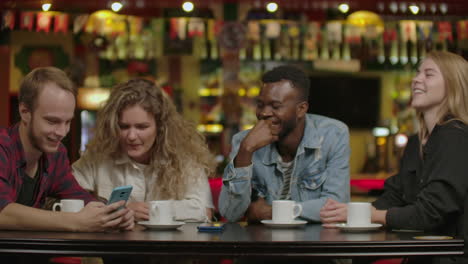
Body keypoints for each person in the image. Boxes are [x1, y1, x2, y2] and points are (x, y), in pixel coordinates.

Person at [320, 51, 468, 264]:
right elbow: (396, 195)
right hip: (424, 254)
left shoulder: (456, 136)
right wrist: (352, 212)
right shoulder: (416, 142)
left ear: (453, 84)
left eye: (429, 74)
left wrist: (372, 216)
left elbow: (431, 213)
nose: (416, 79)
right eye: (417, 73)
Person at [0, 67, 134, 232]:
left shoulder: (56, 155)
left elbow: (78, 196)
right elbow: (3, 212)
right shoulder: (3, 146)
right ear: (25, 112)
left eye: (67, 122)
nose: (62, 132)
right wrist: (75, 222)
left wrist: (112, 214)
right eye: (52, 121)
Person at [73, 78, 216, 223]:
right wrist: (122, 211)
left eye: (142, 127)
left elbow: (203, 211)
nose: (131, 136)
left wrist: (152, 210)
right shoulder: (97, 157)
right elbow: (64, 198)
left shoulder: (183, 157)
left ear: (160, 127)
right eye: (123, 127)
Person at [218, 65, 350, 223]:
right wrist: (245, 152)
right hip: (262, 243)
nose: (264, 113)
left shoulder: (333, 135)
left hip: (314, 242)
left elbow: (336, 207)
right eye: (260, 105)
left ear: (301, 109)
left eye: (275, 106)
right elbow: (231, 213)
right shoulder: (243, 142)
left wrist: (270, 212)